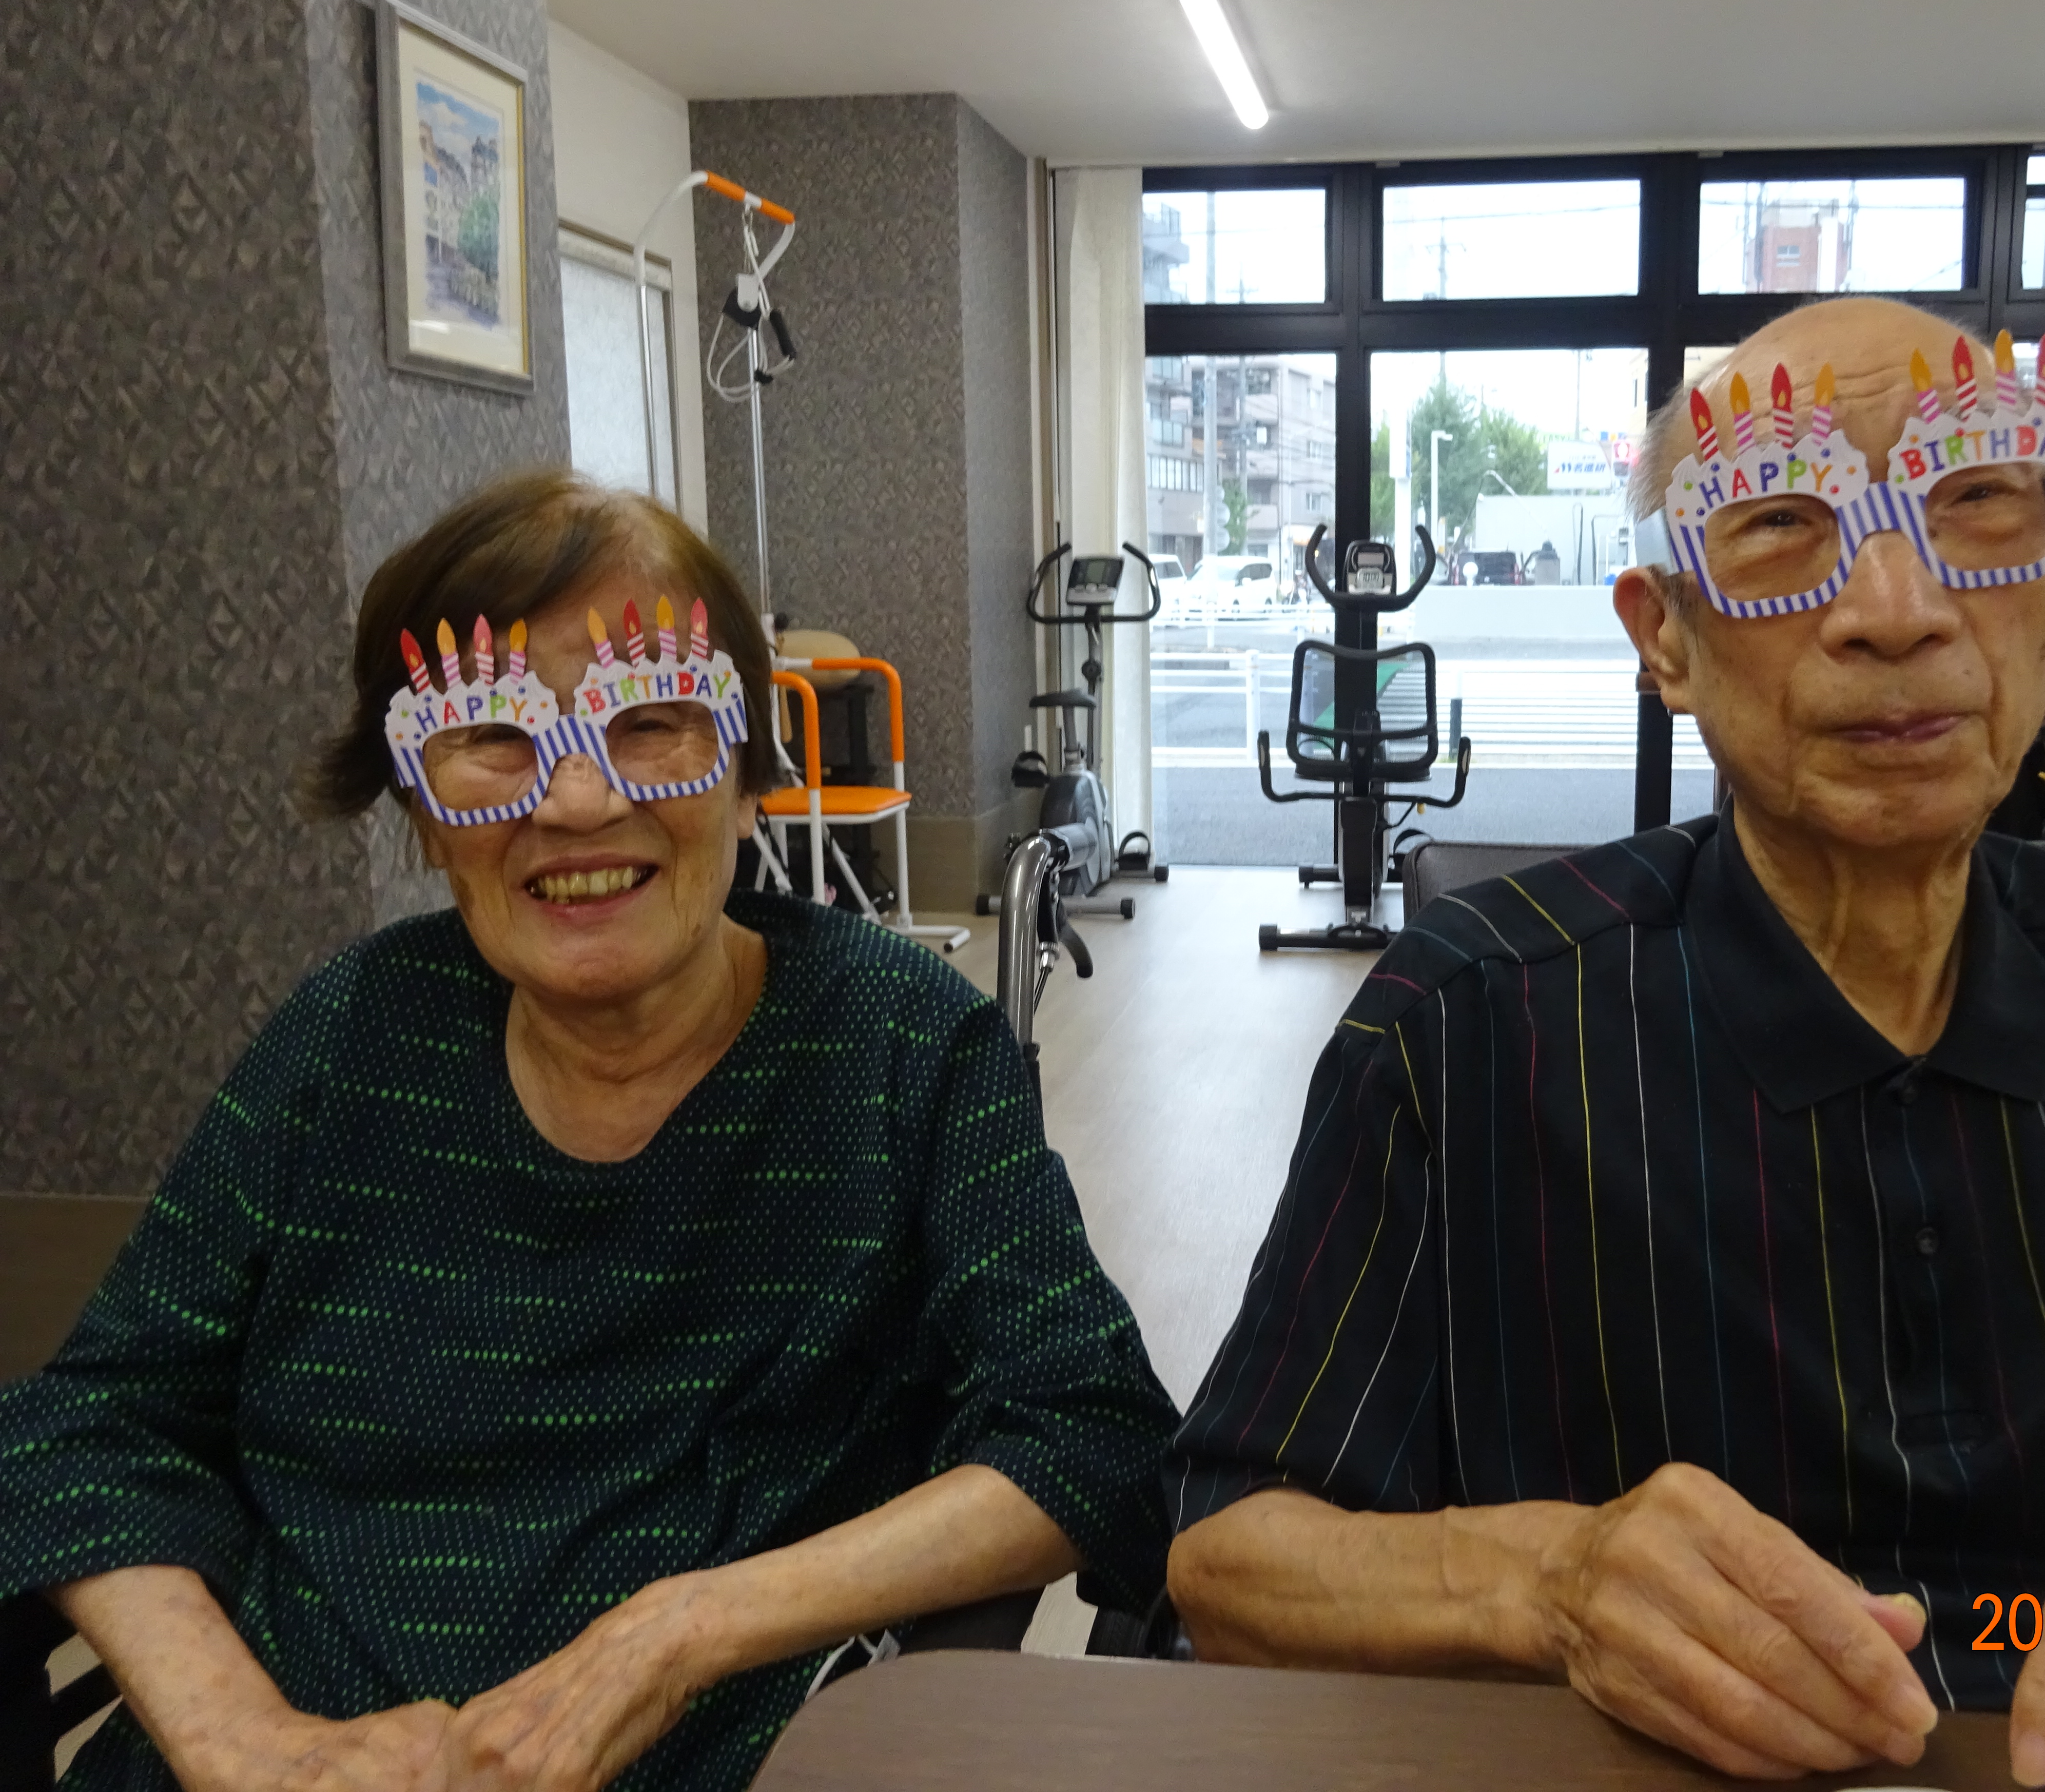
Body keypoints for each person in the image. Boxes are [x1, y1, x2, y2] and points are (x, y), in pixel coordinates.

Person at [1164, 298, 2045, 1792]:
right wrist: (1550, 1583)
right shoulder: (1470, 1024)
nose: (1897, 609)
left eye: (1976, 505)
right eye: (1780, 524)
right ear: (1664, 638)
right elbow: (1228, 1554)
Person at [0, 471, 1179, 1790]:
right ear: (422, 813)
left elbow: (1091, 1428)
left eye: (652, 722)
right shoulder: (348, 1040)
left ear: (750, 780)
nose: (573, 802)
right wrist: (244, 1744)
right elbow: (86, 1421)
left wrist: (679, 1633)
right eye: (491, 737)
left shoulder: (898, 1052)